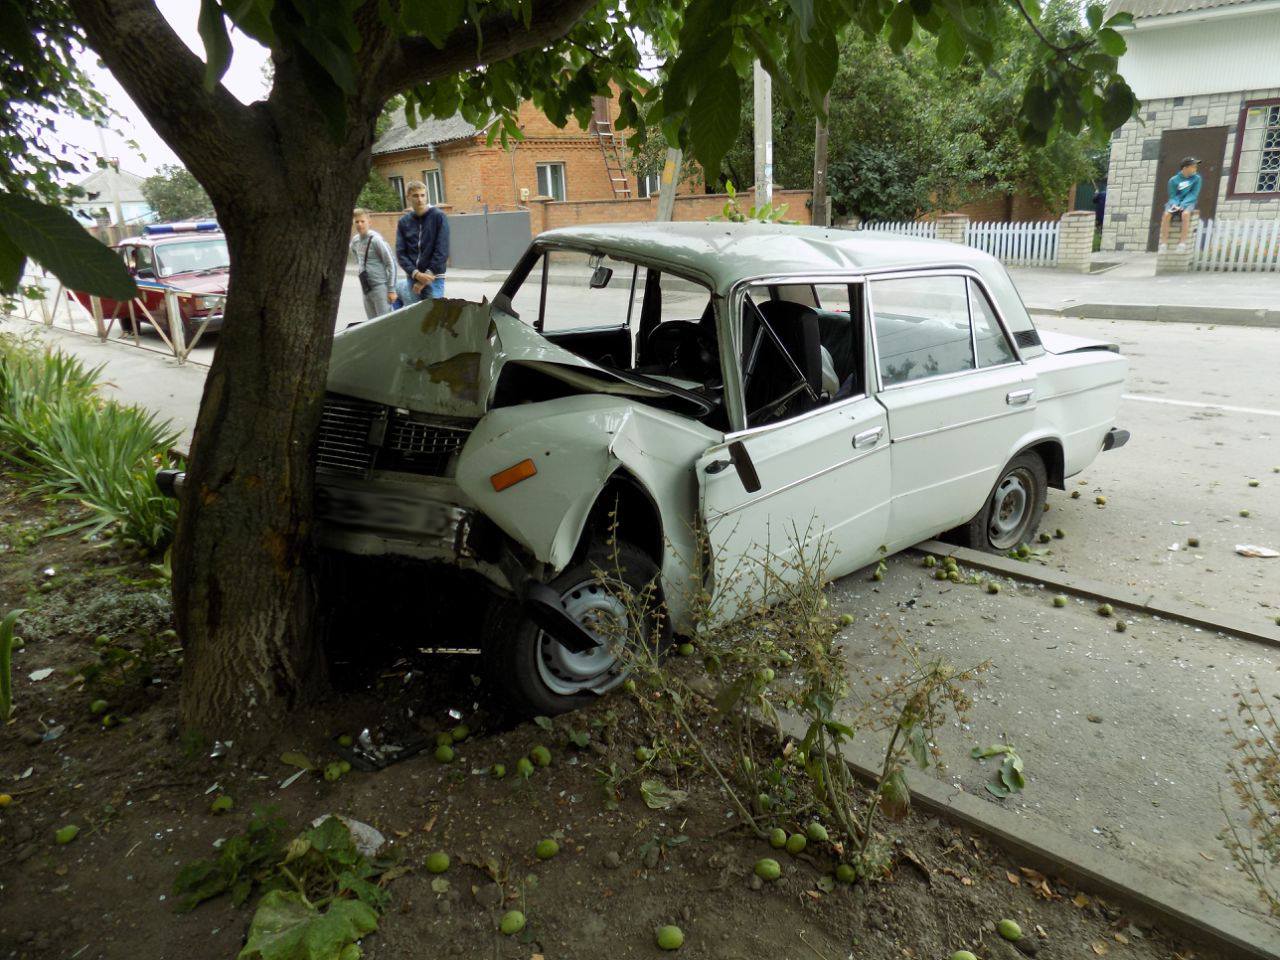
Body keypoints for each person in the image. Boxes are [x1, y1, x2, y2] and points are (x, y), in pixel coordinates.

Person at [395, 180, 449, 305]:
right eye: (415, 196)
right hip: (413, 277)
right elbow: (400, 253)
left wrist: (425, 277)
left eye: (422, 195)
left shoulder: (438, 216)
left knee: (434, 317)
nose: (420, 199)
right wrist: (416, 274)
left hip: (434, 277)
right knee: (417, 319)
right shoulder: (404, 222)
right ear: (408, 197)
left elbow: (442, 249)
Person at [349, 208, 398, 320]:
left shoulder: (376, 240)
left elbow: (391, 263)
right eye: (357, 222)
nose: (360, 224)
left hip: (380, 287)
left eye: (362, 221)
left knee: (384, 322)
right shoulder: (355, 241)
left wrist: (391, 290)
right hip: (366, 288)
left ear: (369, 222)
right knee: (372, 323)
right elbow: (356, 255)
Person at [1159, 157, 1201, 251]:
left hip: (1188, 202)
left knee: (1185, 214)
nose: (1195, 168)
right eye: (1193, 166)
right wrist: (1175, 205)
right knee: (1166, 215)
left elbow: (1193, 194)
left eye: (1195, 166)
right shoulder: (1173, 180)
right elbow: (1173, 196)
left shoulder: (1197, 179)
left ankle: (1182, 243)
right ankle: (1164, 243)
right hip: (1175, 203)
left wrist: (1183, 205)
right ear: (1185, 168)